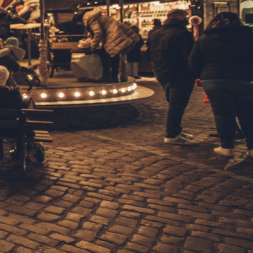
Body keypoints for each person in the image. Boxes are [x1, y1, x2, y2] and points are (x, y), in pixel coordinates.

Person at [188, 12, 253, 158]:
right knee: (248, 114)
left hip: (213, 80)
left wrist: (203, 75)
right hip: (242, 79)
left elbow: (193, 62)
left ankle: (227, 147)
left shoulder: (204, 38)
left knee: (223, 114)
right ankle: (252, 147)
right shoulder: (248, 36)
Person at [148, 8, 198, 146]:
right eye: (186, 16)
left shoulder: (155, 33)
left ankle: (176, 130)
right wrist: (195, 73)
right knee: (177, 106)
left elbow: (149, 53)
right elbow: (189, 57)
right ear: (181, 17)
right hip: (180, 74)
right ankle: (172, 134)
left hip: (162, 73)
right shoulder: (182, 34)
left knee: (174, 104)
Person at [75, 9, 140, 83]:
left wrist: (93, 46)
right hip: (116, 34)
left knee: (105, 54)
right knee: (114, 55)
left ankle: (107, 77)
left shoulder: (91, 20)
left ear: (80, 20)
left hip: (114, 35)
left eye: (78, 23)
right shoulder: (94, 17)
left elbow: (98, 33)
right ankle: (114, 77)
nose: (79, 24)